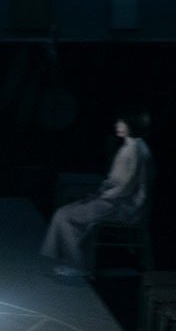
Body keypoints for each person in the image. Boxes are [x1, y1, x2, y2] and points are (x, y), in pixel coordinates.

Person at [41, 110, 154, 278]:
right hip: (115, 200)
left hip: (122, 205)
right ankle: (77, 261)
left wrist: (101, 197)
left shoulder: (135, 150)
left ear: (132, 125)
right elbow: (117, 181)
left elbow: (126, 188)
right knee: (67, 212)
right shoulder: (131, 147)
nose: (117, 125)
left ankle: (78, 265)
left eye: (122, 123)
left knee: (65, 216)